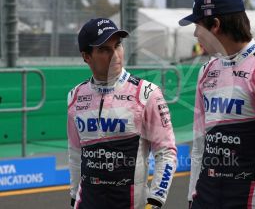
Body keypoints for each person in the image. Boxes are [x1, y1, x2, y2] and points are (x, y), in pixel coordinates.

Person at [179, 0, 255, 209]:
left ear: (215, 25)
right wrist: (192, 197)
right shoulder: (208, 70)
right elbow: (199, 144)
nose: (195, 34)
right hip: (206, 196)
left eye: (197, 25)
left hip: (249, 198)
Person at [67, 18, 177, 209]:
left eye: (117, 46)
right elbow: (76, 153)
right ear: (86, 56)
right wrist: (73, 195)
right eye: (104, 50)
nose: (115, 55)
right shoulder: (75, 96)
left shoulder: (147, 93)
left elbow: (166, 152)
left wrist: (156, 200)